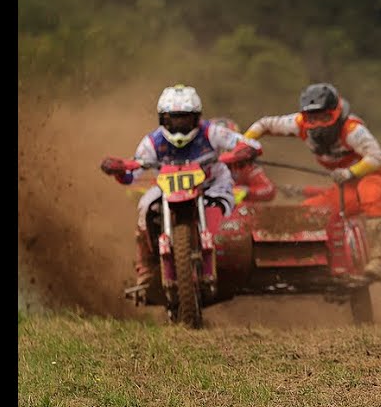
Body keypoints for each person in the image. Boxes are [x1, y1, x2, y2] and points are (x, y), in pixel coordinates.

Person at [99, 84, 262, 288]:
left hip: (212, 185)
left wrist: (242, 152)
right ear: (162, 119)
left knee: (225, 217)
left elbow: (251, 144)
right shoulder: (152, 142)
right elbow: (132, 175)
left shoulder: (211, 132)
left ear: (196, 118)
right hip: (168, 188)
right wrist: (119, 169)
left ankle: (227, 256)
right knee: (144, 208)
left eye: (184, 119)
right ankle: (145, 267)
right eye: (172, 119)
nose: (178, 125)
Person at [243, 83, 381, 280]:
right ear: (305, 116)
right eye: (312, 118)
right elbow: (264, 125)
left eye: (324, 117)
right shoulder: (298, 123)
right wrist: (244, 145)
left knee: (369, 193)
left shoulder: (352, 130)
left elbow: (377, 157)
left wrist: (351, 172)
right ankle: (310, 267)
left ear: (336, 113)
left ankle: (378, 259)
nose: (318, 124)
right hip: (345, 189)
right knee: (308, 213)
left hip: (374, 179)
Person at [211, 117, 276, 202]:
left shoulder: (243, 164)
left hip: (234, 211)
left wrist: (246, 191)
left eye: (226, 141)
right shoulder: (196, 162)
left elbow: (268, 189)